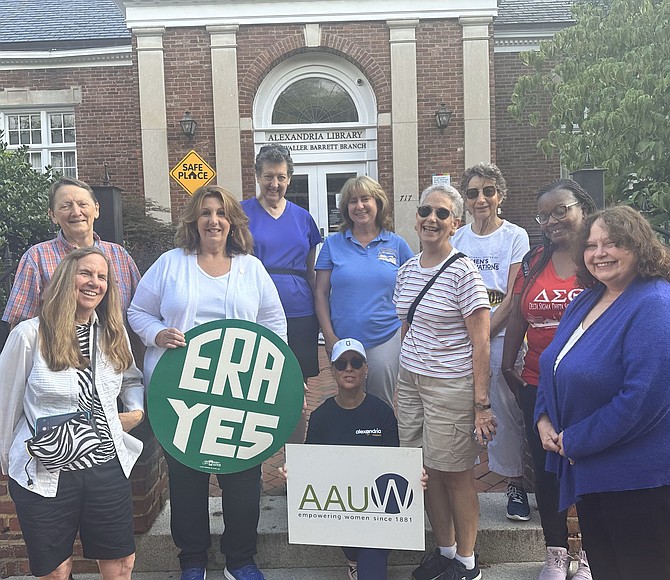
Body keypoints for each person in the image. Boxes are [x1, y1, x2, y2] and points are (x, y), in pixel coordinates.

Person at [127, 185, 287, 580]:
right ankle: (193, 559)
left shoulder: (251, 268)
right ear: (193, 222)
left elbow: (274, 325)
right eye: (205, 213)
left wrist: (275, 374)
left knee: (243, 479)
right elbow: (138, 311)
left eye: (221, 213)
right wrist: (158, 334)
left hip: (240, 392)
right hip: (181, 391)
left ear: (232, 222)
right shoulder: (170, 263)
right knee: (187, 480)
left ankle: (241, 559)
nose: (213, 220)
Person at [534, 206, 670, 579]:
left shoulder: (655, 304)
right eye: (591, 245)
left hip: (638, 482)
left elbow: (642, 400)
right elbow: (553, 364)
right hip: (592, 472)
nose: (599, 253)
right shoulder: (586, 300)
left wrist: (574, 440)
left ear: (639, 246)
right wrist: (543, 416)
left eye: (612, 244)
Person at [0, 247, 145, 580]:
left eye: (102, 276)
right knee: (55, 571)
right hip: (47, 469)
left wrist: (135, 411)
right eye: (86, 273)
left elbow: (131, 378)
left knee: (122, 564)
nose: (94, 282)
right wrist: (10, 465)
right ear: (66, 279)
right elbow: (5, 404)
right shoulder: (29, 335)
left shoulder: (112, 332)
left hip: (107, 466)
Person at [394, 184, 494, 580]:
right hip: (412, 382)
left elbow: (481, 341)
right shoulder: (405, 270)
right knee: (426, 470)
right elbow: (407, 326)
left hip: (451, 385)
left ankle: (468, 565)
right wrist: (407, 372)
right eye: (425, 211)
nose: (431, 219)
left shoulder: (463, 271)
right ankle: (445, 551)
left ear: (455, 223)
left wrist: (480, 403)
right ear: (416, 218)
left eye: (441, 213)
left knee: (454, 473)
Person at [501, 179, 595, 580]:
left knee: (589, 466)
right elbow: (520, 315)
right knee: (546, 467)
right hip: (537, 381)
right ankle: (556, 553)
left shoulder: (598, 257)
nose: (553, 220)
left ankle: (589, 555)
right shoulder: (533, 260)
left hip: (590, 384)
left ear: (583, 208)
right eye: (544, 215)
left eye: (562, 210)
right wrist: (507, 365)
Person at [452, 162, 531, 521]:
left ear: (500, 195)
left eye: (488, 191)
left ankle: (514, 483)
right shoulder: (457, 239)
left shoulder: (515, 236)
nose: (480, 199)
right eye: (472, 193)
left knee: (503, 409)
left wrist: (483, 336)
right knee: (459, 408)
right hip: (460, 336)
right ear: (465, 200)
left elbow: (514, 294)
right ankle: (458, 483)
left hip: (498, 335)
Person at [315, 176, 413, 410]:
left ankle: (383, 447)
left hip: (385, 339)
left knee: (381, 404)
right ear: (346, 208)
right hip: (342, 339)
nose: (359, 206)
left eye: (365, 199)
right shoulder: (333, 244)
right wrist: (329, 337)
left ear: (378, 203)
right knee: (346, 402)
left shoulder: (396, 244)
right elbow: (320, 294)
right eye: (352, 201)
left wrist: (406, 332)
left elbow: (415, 290)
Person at [305, 338, 399, 580]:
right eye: (341, 364)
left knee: (372, 571)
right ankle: (353, 558)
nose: (349, 369)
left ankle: (359, 562)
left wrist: (412, 477)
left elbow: (395, 463)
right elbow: (310, 463)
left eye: (356, 362)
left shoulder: (383, 413)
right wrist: (293, 472)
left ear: (366, 369)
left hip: (377, 508)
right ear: (333, 371)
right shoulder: (320, 416)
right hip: (341, 507)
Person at [2, 176, 141, 327]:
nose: (76, 212)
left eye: (82, 204)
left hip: (115, 348)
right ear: (53, 215)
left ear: (96, 210)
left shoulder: (120, 256)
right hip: (55, 350)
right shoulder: (36, 257)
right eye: (65, 206)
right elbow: (20, 324)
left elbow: (141, 313)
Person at [242, 145, 321, 380]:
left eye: (281, 177)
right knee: (256, 379)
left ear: (289, 179)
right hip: (256, 310)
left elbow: (310, 273)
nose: (274, 183)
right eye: (268, 176)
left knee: (297, 383)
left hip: (300, 312)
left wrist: (321, 310)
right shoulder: (240, 214)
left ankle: (300, 420)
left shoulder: (303, 218)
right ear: (257, 176)